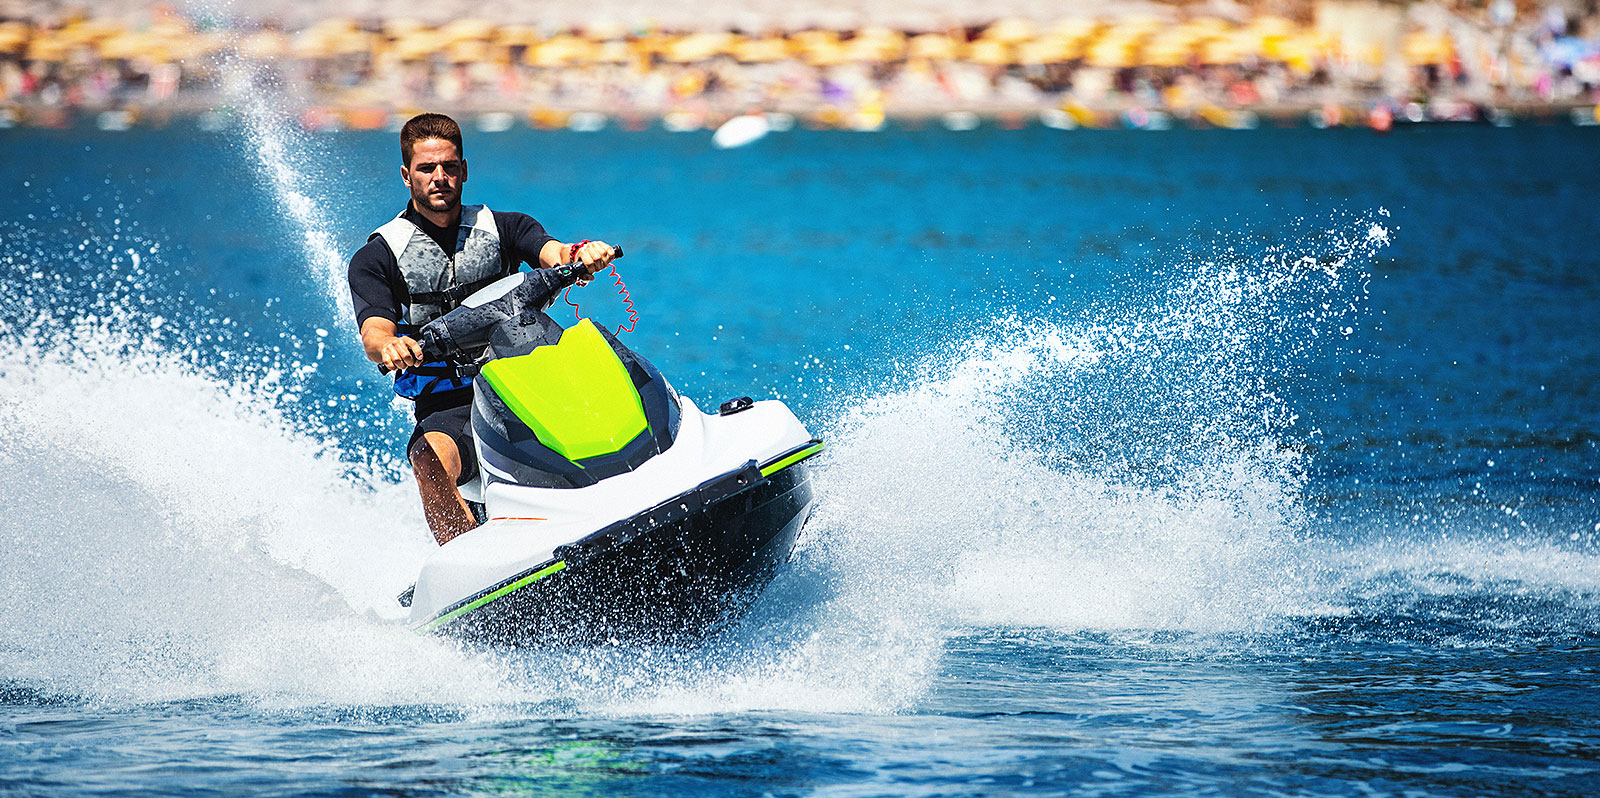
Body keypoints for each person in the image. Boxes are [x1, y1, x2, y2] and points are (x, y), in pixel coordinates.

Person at [347, 112, 615, 546]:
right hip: (451, 402)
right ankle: (471, 563)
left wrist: (581, 254)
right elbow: (374, 331)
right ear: (406, 174)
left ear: (464, 170)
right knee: (428, 460)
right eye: (427, 168)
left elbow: (552, 251)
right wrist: (391, 346)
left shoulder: (505, 227)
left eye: (450, 167)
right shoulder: (377, 257)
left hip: (525, 376)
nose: (440, 178)